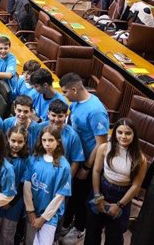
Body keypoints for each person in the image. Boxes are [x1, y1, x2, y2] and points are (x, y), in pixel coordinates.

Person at [59, 73, 109, 244]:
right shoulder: (76, 103)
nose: (64, 96)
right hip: (75, 157)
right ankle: (67, 223)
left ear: (74, 89)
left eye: (65, 92)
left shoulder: (96, 111)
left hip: (88, 163)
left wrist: (87, 167)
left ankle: (79, 228)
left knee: (81, 198)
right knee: (72, 195)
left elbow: (101, 144)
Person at [85, 118, 146, 245]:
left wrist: (119, 205)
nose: (123, 136)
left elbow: (136, 186)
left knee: (115, 236)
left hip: (123, 195)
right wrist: (97, 196)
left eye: (128, 133)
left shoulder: (140, 158)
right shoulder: (104, 148)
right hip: (102, 189)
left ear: (134, 135)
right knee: (92, 230)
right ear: (115, 133)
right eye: (120, 132)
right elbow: (96, 172)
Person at [23, 126, 73, 245]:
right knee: (30, 241)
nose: (47, 144)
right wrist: (30, 212)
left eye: (51, 140)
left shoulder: (64, 166)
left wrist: (43, 218)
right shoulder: (34, 159)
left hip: (50, 216)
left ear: (58, 142)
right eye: (44, 140)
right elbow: (27, 186)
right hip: (33, 212)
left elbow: (60, 197)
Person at [0, 125, 30, 245]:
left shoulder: (27, 160)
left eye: (20, 142)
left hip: (15, 204)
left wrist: (10, 203)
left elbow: (23, 184)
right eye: (13, 140)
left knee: (8, 232)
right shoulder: (0, 155)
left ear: (25, 142)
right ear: (7, 138)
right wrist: (0, 198)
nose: (16, 145)